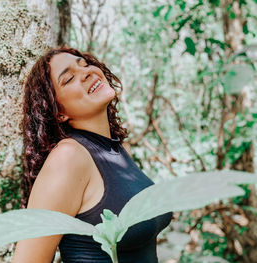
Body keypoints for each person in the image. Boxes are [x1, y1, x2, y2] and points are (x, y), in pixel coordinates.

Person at [11, 46, 172, 263]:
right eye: (68, 79)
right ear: (59, 113)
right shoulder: (68, 157)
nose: (86, 72)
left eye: (84, 64)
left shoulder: (115, 150)